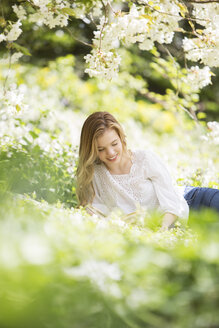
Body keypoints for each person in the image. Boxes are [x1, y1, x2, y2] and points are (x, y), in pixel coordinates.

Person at [76, 111, 219, 230]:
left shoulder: (144, 159)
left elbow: (173, 204)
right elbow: (95, 213)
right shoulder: (96, 175)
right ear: (92, 150)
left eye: (114, 144)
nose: (111, 152)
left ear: (121, 138)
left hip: (191, 200)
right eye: (101, 149)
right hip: (177, 226)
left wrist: (160, 231)